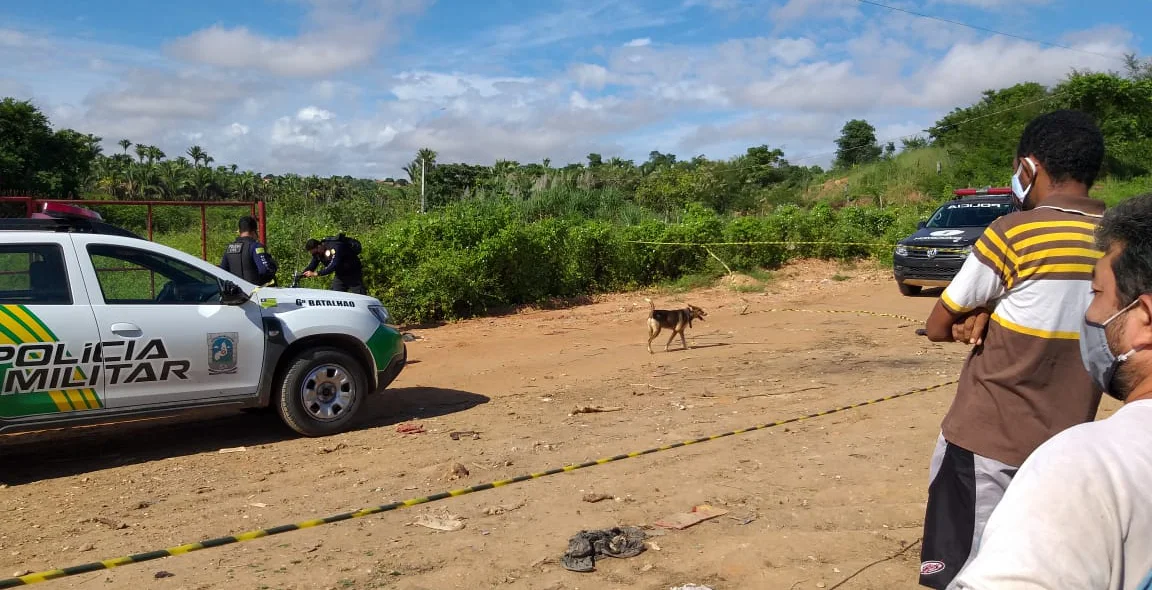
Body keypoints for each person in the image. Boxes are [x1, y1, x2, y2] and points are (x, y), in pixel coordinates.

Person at [917, 109, 1107, 589]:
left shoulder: (1013, 232)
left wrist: (977, 313)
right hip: (1066, 443)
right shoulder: (1119, 239)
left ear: (1028, 167)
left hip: (986, 440)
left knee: (967, 566)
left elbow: (938, 324)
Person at [948, 192, 1152, 589]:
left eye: (1096, 294)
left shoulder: (1086, 468)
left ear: (1144, 318)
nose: (1090, 315)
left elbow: (941, 321)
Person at [219, 215, 278, 286]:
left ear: (240, 231)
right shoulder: (255, 246)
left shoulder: (229, 248)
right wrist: (273, 265)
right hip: (254, 293)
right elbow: (265, 270)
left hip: (235, 294)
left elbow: (222, 272)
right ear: (254, 231)